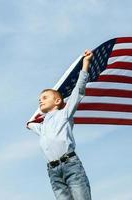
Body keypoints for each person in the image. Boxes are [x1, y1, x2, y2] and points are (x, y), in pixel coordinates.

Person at [27, 50, 93, 200]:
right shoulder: (42, 126)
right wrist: (30, 124)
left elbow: (79, 90)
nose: (40, 100)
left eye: (44, 97)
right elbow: (32, 126)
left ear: (57, 101)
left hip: (71, 166)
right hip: (53, 171)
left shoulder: (64, 113)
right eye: (39, 99)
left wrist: (86, 64)